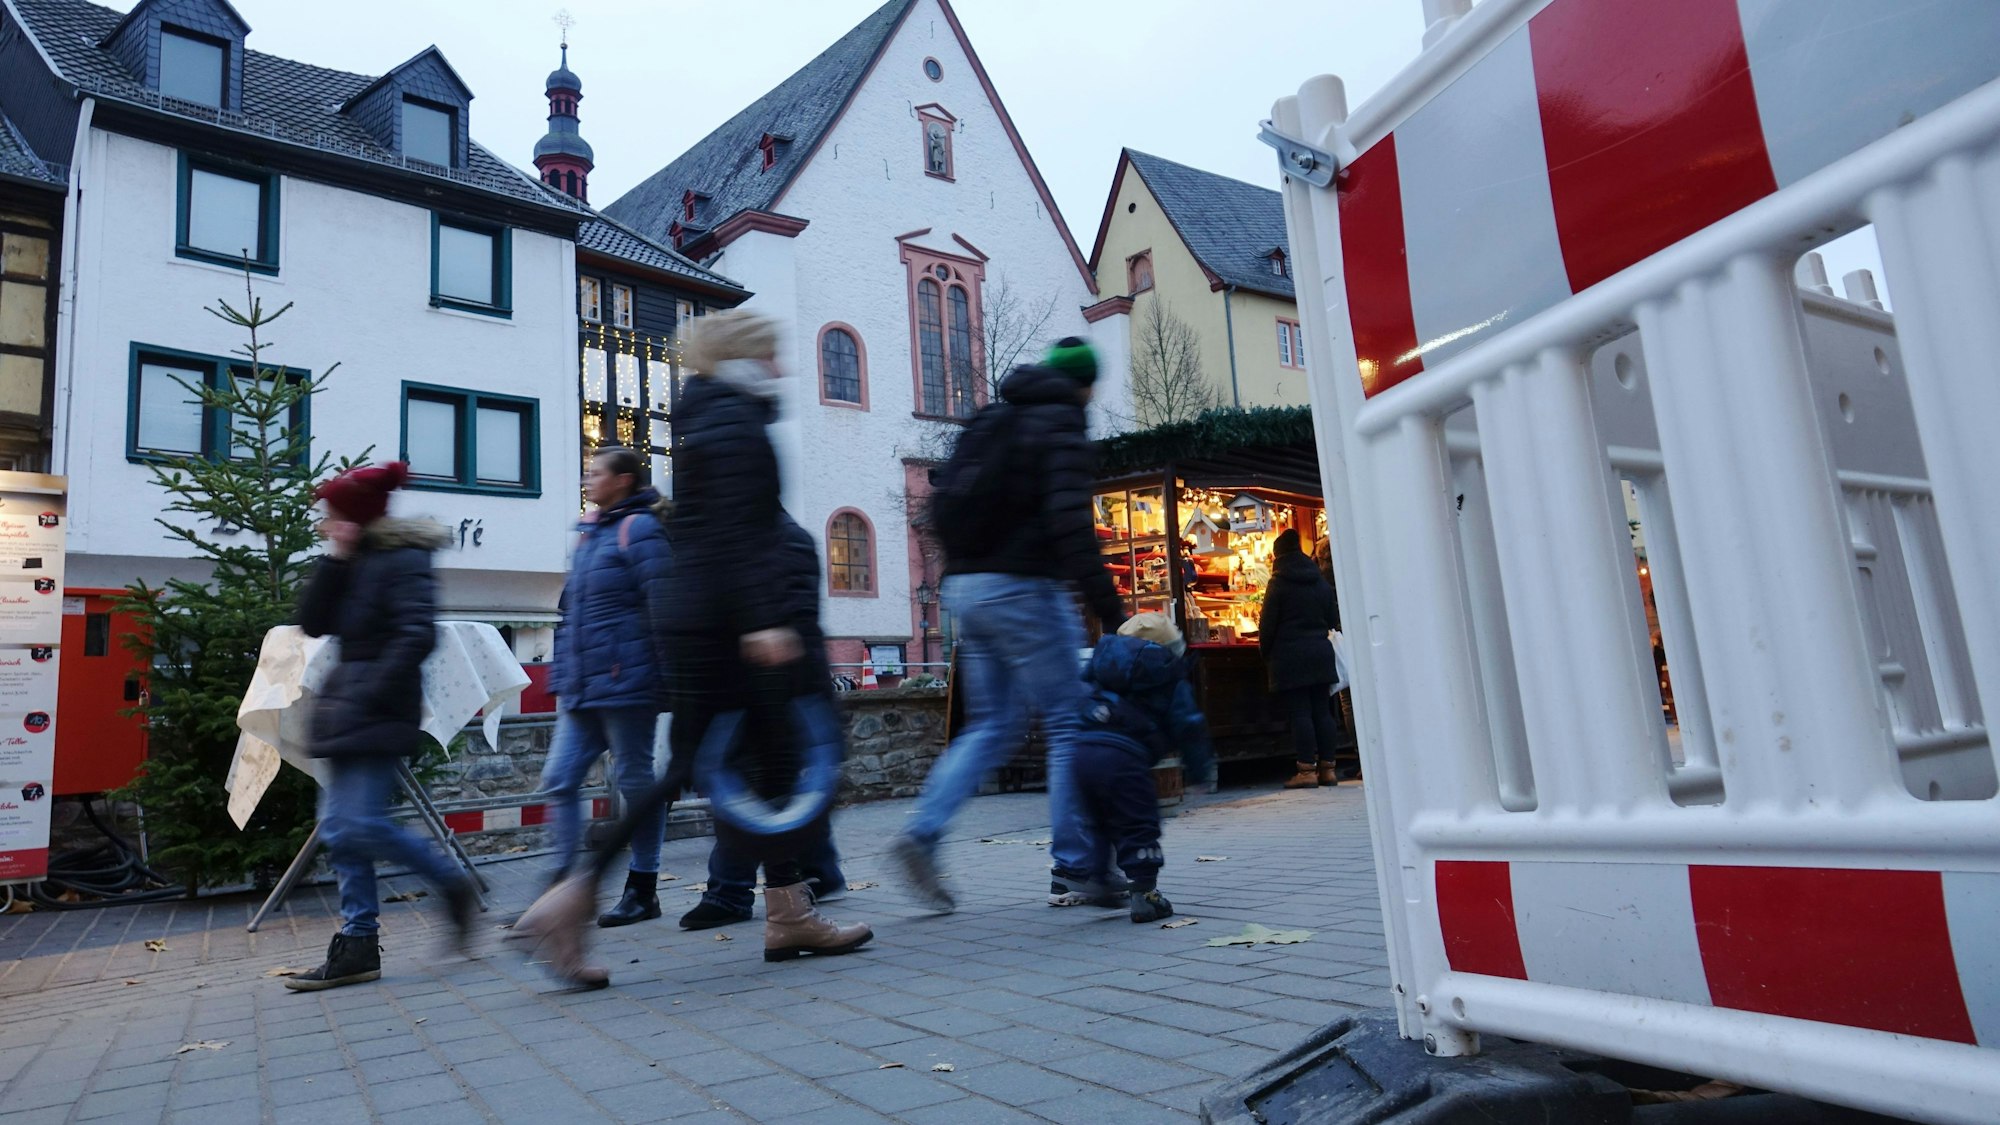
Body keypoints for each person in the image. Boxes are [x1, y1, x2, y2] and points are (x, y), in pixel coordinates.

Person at [512, 310, 869, 985]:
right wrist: (765, 621)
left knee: (749, 763)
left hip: (702, 613)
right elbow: (740, 529)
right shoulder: (734, 418)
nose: (780, 364)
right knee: (754, 763)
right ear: (743, 355)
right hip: (727, 619)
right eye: (770, 351)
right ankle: (572, 906)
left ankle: (784, 910)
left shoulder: (708, 410)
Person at [888, 337, 1127, 914]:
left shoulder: (992, 418)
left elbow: (942, 502)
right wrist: (1113, 613)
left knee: (992, 724)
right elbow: (1072, 527)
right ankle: (1078, 866)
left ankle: (922, 831)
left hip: (966, 588)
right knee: (1071, 725)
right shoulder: (1062, 426)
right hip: (1024, 588)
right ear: (1087, 385)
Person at [285, 462, 476, 991]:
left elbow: (418, 635)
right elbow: (314, 621)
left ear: (358, 517)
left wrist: (369, 693)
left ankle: (450, 884)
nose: (326, 525)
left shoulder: (405, 559)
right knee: (341, 832)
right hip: (347, 709)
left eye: (334, 517)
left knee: (354, 826)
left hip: (377, 708)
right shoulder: (356, 560)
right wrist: (336, 560)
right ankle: (358, 946)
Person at [680, 513, 847, 931]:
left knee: (749, 788)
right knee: (776, 788)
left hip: (770, 685)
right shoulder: (765, 537)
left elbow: (792, 621)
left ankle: (732, 889)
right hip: (767, 685)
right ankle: (817, 872)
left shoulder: (775, 539)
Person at [540, 446, 673, 928]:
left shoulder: (638, 530)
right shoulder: (589, 533)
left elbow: (662, 603)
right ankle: (563, 887)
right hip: (583, 684)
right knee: (559, 780)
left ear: (623, 481)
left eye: (595, 474)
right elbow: (572, 614)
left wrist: (665, 678)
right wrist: (564, 674)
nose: (586, 480)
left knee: (635, 781)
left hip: (627, 679)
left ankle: (643, 887)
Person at [1072, 613, 1212, 923]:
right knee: (1138, 823)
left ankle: (1099, 877)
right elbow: (1188, 723)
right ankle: (1145, 894)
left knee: (1097, 821)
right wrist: (1200, 770)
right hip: (1125, 758)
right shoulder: (1167, 672)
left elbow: (1078, 700)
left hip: (1081, 752)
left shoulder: (1100, 664)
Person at [1258, 529, 1343, 788]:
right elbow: (1332, 618)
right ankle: (1328, 770)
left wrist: (1266, 653)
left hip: (1290, 655)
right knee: (1322, 711)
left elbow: (1267, 624)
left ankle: (1306, 770)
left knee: (1300, 713)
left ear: (1278, 555)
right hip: (1319, 651)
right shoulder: (1319, 581)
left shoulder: (1279, 582)